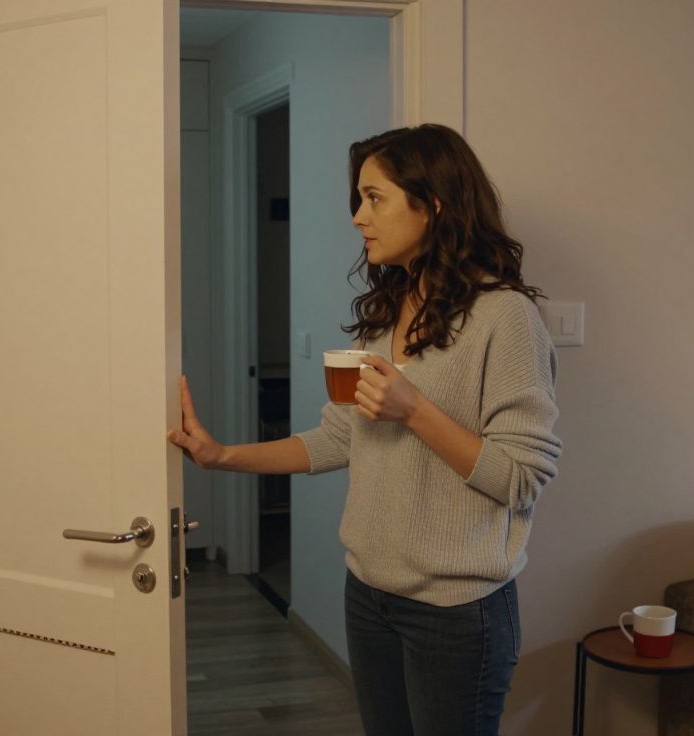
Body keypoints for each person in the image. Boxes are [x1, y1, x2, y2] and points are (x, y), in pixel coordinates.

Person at [168, 123, 562, 736]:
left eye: (374, 198)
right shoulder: (386, 314)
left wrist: (415, 409)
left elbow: (521, 477)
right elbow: (338, 438)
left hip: (456, 614)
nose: (358, 217)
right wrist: (221, 456)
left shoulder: (505, 318)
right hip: (369, 594)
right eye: (359, 199)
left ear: (433, 205)